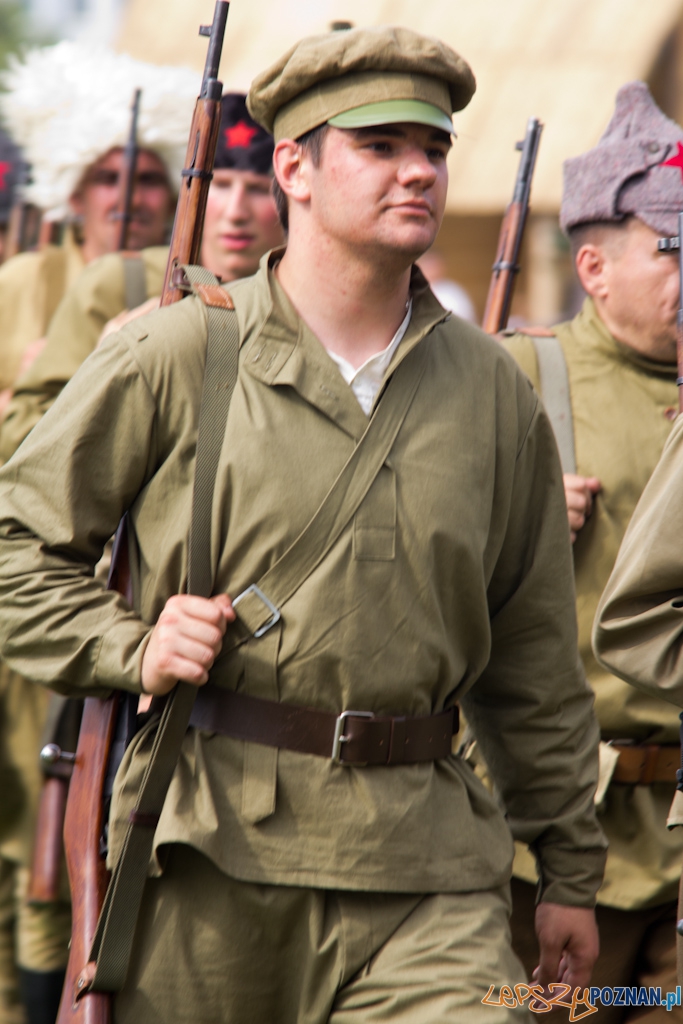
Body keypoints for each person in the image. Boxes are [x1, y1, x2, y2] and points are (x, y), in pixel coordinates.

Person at [0, 26, 605, 1022]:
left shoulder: (496, 395)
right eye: (379, 144)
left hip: (428, 870)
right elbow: (18, 550)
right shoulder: (175, 352)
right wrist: (129, 644)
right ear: (296, 166)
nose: (418, 171)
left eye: (434, 148)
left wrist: (569, 868)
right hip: (207, 858)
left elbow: (530, 656)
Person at [0, 40, 197, 1024]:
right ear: (71, 190)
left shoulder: (189, 293)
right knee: (23, 854)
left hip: (128, 617)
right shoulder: (29, 286)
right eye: (108, 176)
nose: (128, 194)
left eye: (148, 175)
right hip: (32, 596)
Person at [501, 81, 683, 1019]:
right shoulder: (514, 380)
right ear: (594, 267)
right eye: (672, 249)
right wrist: (509, 527)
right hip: (560, 845)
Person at [0, 91, 283, 465]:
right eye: (223, 185)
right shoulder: (117, 281)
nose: (236, 212)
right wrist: (103, 367)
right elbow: (22, 438)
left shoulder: (295, 299)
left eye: (259, 190)